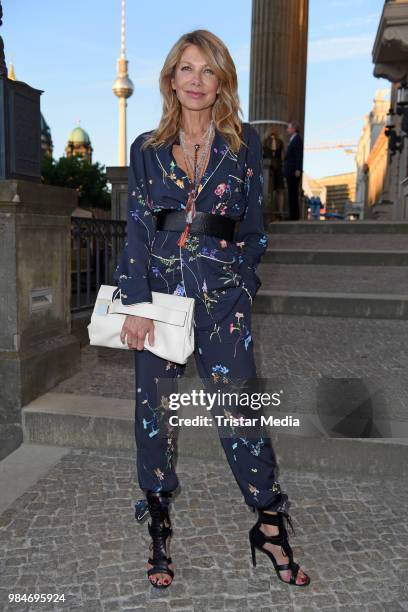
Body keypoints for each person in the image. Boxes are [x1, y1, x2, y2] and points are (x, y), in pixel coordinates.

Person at [114, 30, 310, 590]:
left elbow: (254, 229)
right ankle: (158, 523)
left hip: (224, 301)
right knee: (154, 415)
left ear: (221, 79)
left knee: (240, 414)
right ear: (171, 78)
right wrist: (135, 303)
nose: (197, 80)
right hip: (160, 298)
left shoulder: (243, 143)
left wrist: (242, 287)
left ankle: (270, 525)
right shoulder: (147, 148)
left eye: (208, 70)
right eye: (186, 69)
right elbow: (136, 229)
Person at [262, 128, 285, 219]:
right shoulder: (265, 142)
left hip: (277, 169)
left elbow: (281, 155)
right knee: (270, 190)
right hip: (269, 169)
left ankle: (279, 211)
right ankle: (272, 211)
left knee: (279, 190)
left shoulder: (279, 142)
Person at [283, 121, 304, 220]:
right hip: (290, 170)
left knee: (293, 193)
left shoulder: (297, 139)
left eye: (289, 127)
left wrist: (298, 169)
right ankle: (293, 215)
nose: (287, 129)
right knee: (291, 193)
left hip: (293, 171)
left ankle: (294, 216)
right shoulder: (292, 139)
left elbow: (298, 155)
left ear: (293, 129)